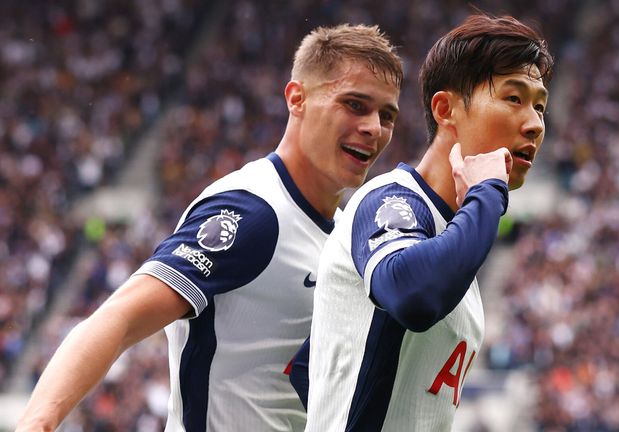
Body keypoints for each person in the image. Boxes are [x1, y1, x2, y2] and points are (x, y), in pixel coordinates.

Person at [16, 23, 402, 432]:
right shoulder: (252, 212)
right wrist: (39, 421)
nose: (375, 128)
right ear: (297, 98)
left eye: (387, 114)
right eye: (355, 105)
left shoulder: (345, 236)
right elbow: (120, 318)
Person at [290, 13, 554, 431]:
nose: (535, 124)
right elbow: (413, 295)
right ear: (446, 108)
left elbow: (314, 365)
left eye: (540, 106)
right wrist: (487, 192)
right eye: (514, 99)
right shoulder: (392, 201)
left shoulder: (458, 248)